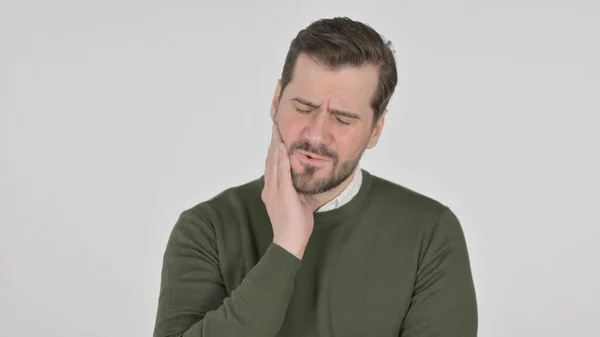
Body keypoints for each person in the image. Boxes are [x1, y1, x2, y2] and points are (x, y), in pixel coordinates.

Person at [153, 17, 477, 337]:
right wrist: (287, 246)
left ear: (376, 129)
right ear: (276, 100)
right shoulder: (206, 228)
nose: (317, 135)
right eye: (304, 108)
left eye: (342, 119)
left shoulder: (430, 233)